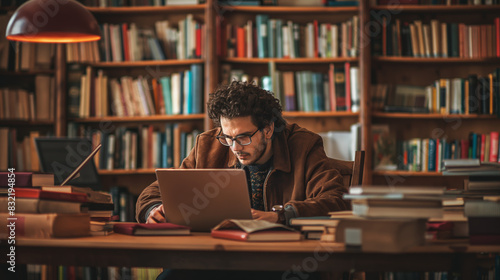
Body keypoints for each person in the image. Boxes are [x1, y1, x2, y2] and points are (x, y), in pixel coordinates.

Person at [136, 80, 351, 225]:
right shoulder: (208, 146)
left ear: (268, 128)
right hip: (216, 255)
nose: (234, 147)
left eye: (243, 137)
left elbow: (336, 199)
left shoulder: (304, 146)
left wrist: (279, 216)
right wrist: (153, 209)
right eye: (227, 137)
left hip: (281, 258)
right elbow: (155, 191)